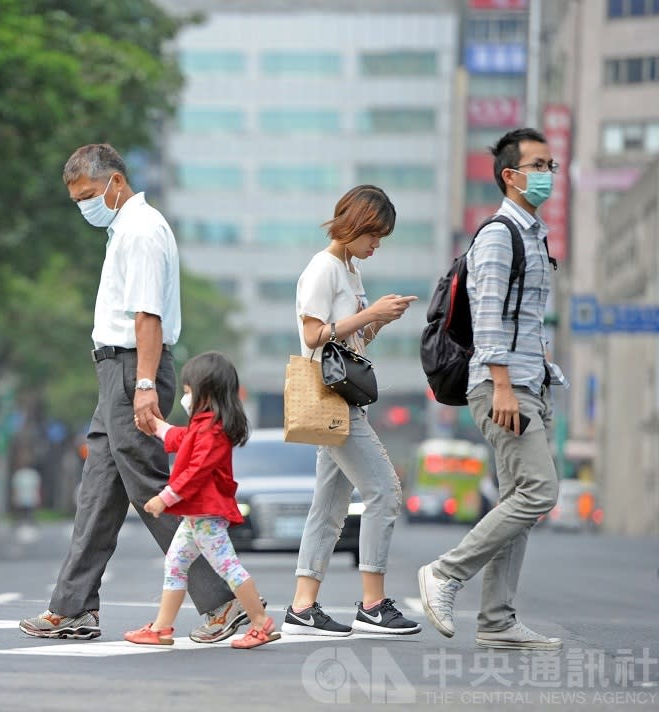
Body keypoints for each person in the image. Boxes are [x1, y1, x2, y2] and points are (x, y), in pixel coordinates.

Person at [19, 144, 246, 642]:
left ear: (115, 183)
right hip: (116, 374)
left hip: (131, 371)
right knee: (98, 493)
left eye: (87, 195)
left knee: (152, 486)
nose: (83, 206)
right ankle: (73, 606)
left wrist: (144, 384)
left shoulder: (141, 231)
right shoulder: (124, 229)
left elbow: (147, 316)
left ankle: (225, 601)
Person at [418, 127, 568, 650]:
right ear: (511, 175)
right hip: (504, 387)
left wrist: (542, 373)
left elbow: (524, 318)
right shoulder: (501, 234)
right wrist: (503, 384)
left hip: (530, 384)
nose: (549, 174)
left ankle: (497, 621)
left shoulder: (532, 234)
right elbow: (486, 316)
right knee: (539, 491)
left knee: (516, 498)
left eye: (551, 165)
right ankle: (445, 573)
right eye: (539, 165)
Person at [282, 184, 422, 637]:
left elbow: (349, 344)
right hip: (331, 398)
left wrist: (377, 320)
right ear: (355, 225)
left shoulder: (350, 268)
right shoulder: (324, 268)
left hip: (342, 397)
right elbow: (312, 336)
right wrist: (369, 314)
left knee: (329, 505)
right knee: (384, 491)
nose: (377, 244)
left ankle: (303, 607)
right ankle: (373, 603)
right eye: (374, 235)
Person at [123, 351, 279, 650]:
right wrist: (156, 426)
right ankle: (161, 628)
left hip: (206, 514)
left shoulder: (213, 431)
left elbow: (195, 472)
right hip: (197, 516)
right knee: (176, 563)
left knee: (228, 567)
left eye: (188, 391)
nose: (186, 397)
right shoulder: (205, 425)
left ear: (206, 392)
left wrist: (164, 499)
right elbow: (181, 440)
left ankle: (260, 622)